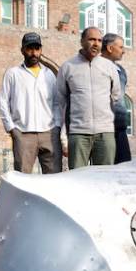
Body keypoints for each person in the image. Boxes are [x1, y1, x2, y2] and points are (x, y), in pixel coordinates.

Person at [55, 27, 121, 169]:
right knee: (78, 180)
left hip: (105, 133)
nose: (96, 43)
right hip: (78, 133)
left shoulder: (109, 67)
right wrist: (63, 136)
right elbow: (60, 102)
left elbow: (115, 95)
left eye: (99, 40)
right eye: (91, 39)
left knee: (105, 178)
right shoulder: (68, 67)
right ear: (82, 41)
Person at [0, 32, 58, 174]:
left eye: (37, 49)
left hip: (48, 133)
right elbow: (3, 101)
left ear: (41, 50)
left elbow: (56, 103)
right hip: (23, 133)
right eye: (29, 49)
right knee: (23, 178)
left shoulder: (49, 75)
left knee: (54, 177)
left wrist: (57, 126)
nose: (33, 53)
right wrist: (11, 128)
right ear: (22, 50)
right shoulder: (13, 74)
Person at [101, 33, 131, 164]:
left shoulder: (121, 70)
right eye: (121, 47)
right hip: (103, 127)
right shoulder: (97, 66)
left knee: (124, 164)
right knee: (105, 166)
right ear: (109, 48)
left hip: (120, 126)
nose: (124, 51)